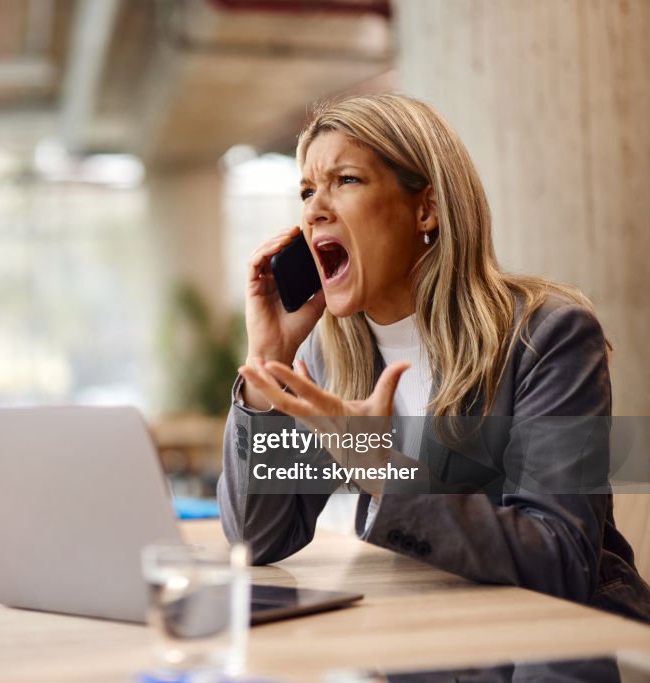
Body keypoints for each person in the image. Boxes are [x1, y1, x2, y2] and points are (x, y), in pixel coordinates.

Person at [217, 93, 650, 623]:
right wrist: (265, 365)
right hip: (422, 640)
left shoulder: (546, 335)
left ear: (427, 208)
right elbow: (256, 540)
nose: (314, 209)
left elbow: (560, 557)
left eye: (345, 181)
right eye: (307, 191)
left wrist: (380, 471)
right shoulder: (329, 358)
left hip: (556, 649)